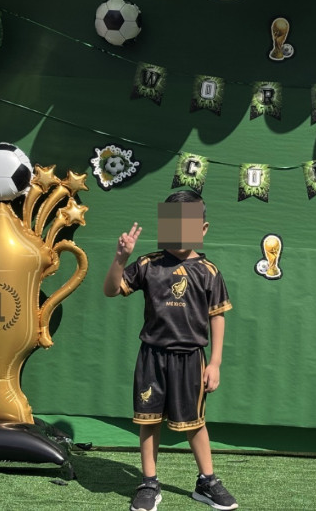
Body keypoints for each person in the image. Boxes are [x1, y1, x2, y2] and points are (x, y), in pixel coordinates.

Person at [103, 190, 238, 511]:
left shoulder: (209, 272)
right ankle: (149, 482)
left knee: (195, 423)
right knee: (148, 421)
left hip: (191, 359)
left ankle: (207, 481)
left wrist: (215, 363)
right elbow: (111, 290)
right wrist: (121, 257)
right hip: (152, 358)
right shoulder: (147, 264)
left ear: (202, 229)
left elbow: (217, 317)